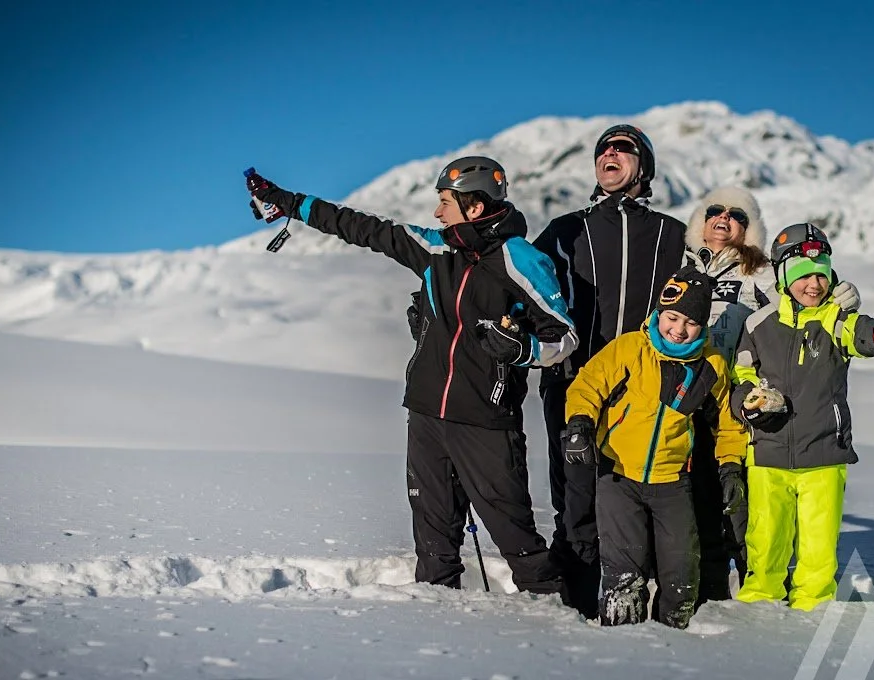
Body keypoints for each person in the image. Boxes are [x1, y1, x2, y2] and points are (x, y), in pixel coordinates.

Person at [247, 156, 578, 596]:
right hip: (425, 413)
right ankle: (434, 623)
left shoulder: (520, 259)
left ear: (474, 207)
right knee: (433, 539)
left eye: (444, 202)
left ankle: (557, 620)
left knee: (516, 538)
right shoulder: (436, 251)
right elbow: (361, 227)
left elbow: (565, 337)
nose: (437, 213)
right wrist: (287, 203)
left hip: (485, 421)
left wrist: (523, 349)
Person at [530, 124, 689, 619]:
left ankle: (635, 591)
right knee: (574, 493)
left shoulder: (672, 234)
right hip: (572, 381)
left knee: (629, 489)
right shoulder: (565, 229)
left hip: (641, 390)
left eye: (624, 149)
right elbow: (516, 283)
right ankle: (576, 602)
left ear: (645, 168)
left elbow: (727, 280)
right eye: (604, 150)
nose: (610, 154)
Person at [683, 187, 861, 602]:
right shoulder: (682, 264)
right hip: (688, 397)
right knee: (695, 495)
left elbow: (804, 305)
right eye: (714, 210)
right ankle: (701, 585)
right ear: (700, 221)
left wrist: (841, 298)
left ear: (750, 230)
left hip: (744, 405)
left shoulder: (762, 273)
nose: (724, 218)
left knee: (748, 506)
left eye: (738, 215)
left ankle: (760, 583)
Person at [730, 223, 874, 611]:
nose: (813, 284)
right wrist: (748, 401)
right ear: (782, 277)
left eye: (821, 275)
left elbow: (861, 331)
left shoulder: (834, 318)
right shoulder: (758, 324)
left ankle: (813, 606)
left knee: (818, 545)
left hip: (824, 454)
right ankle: (759, 603)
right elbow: (742, 373)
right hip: (768, 453)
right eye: (803, 276)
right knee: (765, 540)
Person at [562, 267, 748, 628]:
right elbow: (588, 385)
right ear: (659, 313)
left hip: (673, 481)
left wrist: (730, 467)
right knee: (624, 574)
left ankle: (672, 647)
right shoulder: (631, 348)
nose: (678, 330)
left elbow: (728, 422)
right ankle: (621, 648)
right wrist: (580, 424)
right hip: (618, 476)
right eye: (672, 317)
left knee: (682, 574)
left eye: (691, 322)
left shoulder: (711, 366)